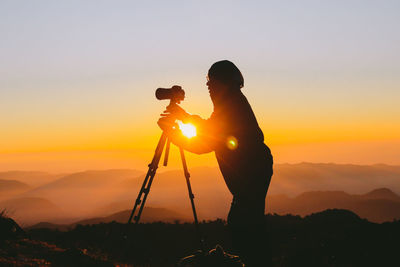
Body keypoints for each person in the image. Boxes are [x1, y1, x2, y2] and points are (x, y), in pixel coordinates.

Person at [158, 60, 273, 266]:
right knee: (245, 225)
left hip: (252, 172)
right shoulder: (229, 101)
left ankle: (256, 261)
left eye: (212, 81)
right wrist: (184, 119)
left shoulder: (231, 103)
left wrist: (176, 136)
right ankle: (256, 259)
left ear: (226, 82)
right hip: (255, 170)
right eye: (208, 81)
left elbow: (208, 141)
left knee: (243, 227)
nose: (208, 86)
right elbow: (211, 129)